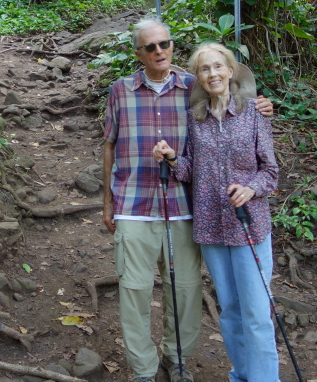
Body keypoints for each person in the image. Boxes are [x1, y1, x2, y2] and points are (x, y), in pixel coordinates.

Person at [103, 19, 273, 382]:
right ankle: (144, 369)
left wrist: (262, 104)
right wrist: (107, 202)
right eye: (150, 47)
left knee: (186, 291)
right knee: (135, 291)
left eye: (164, 43)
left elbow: (230, 86)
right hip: (135, 205)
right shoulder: (121, 90)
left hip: (185, 209)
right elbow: (109, 144)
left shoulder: (192, 87)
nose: (159, 51)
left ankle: (178, 358)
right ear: (138, 53)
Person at [153, 42, 280, 382]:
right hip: (210, 227)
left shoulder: (255, 112)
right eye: (204, 69)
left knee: (256, 312)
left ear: (230, 71)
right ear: (198, 78)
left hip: (249, 225)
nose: (212, 74)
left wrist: (251, 188)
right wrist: (172, 158)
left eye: (217, 67)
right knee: (232, 311)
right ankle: (242, 375)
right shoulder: (195, 120)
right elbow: (191, 171)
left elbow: (270, 171)